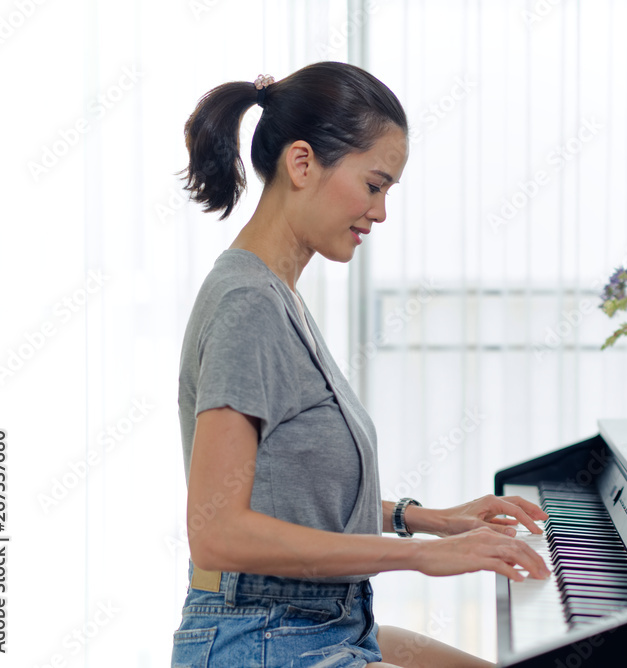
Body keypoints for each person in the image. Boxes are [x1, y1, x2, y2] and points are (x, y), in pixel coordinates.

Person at [171, 61, 550, 668]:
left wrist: (429, 521)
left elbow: (288, 496)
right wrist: (420, 558)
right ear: (302, 164)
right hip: (262, 639)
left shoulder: (276, 296)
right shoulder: (249, 305)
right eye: (374, 185)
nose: (379, 213)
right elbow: (218, 532)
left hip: (322, 624)